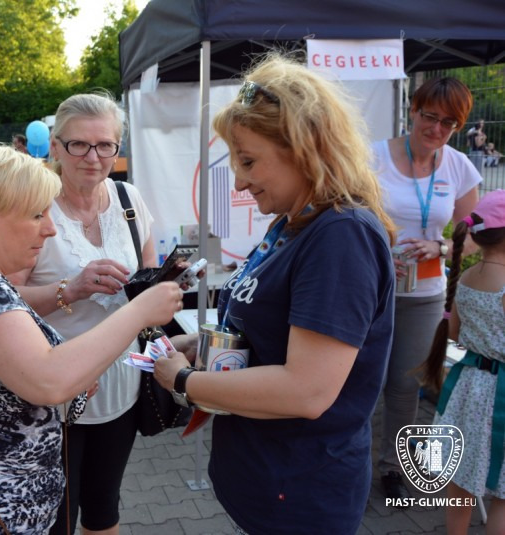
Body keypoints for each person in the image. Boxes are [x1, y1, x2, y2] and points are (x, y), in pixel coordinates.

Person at [154, 54, 397, 533]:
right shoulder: (292, 222)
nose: (239, 181)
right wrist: (202, 343)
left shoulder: (340, 235)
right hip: (265, 478)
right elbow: (271, 332)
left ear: (304, 148)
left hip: (300, 493)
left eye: (248, 161)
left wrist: (184, 381)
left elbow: (306, 391)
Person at [0, 145, 182, 534]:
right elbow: (49, 381)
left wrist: (76, 379)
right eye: (37, 214)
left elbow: (15, 383)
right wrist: (139, 312)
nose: (50, 228)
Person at [9, 92, 155, 535]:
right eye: (79, 145)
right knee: (54, 520)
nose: (93, 157)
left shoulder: (129, 199)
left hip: (123, 383)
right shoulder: (33, 206)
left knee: (104, 508)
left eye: (105, 145)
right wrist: (69, 290)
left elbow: (148, 274)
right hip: (54, 393)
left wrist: (165, 283)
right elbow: (1, 299)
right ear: (56, 146)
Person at [371, 77, 482, 503]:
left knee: (405, 385)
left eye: (448, 123)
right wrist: (381, 251)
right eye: (430, 117)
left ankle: (393, 469)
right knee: (362, 381)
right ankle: (349, 466)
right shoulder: (373, 157)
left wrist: (442, 246)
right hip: (372, 291)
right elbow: (347, 217)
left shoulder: (459, 167)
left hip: (425, 295)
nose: (436, 129)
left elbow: (475, 234)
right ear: (413, 111)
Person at [420, 189, 505, 535]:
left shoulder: (467, 278)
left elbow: (454, 332)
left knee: (461, 479)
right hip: (500, 395)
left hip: (469, 389)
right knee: (502, 495)